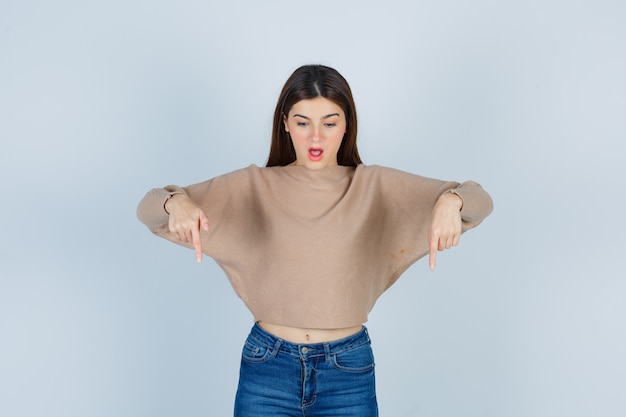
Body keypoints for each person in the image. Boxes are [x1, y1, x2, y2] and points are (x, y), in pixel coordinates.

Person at [137, 64, 493, 416]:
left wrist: (451, 199)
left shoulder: (373, 186)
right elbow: (149, 208)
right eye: (303, 122)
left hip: (347, 370)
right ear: (286, 123)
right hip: (268, 369)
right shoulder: (254, 186)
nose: (316, 138)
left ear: (347, 125)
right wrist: (176, 201)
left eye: (330, 122)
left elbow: (478, 200)